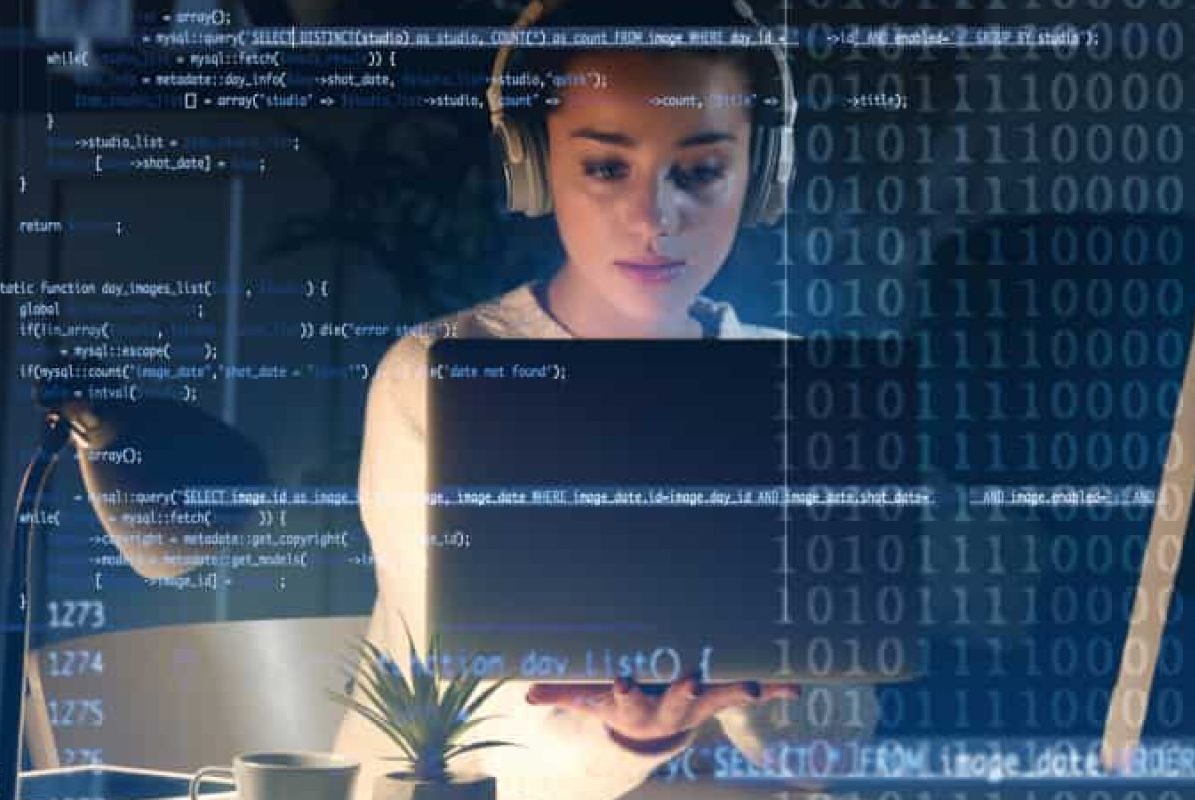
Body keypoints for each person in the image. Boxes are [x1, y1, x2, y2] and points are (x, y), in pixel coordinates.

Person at [334, 5, 880, 800]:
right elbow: (457, 710)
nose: (655, 218)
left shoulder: (799, 385)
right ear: (533, 167)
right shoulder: (444, 372)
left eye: (698, 172)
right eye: (605, 168)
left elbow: (837, 746)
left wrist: (753, 701)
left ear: (759, 175)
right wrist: (632, 736)